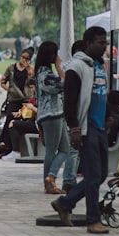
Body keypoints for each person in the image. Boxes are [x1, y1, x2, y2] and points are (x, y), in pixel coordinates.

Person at [50, 26, 111, 234]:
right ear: (88, 43)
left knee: (101, 174)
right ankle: (93, 220)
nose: (104, 46)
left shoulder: (100, 65)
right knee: (93, 175)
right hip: (86, 128)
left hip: (100, 126)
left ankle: (65, 203)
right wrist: (74, 128)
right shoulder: (77, 67)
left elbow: (103, 94)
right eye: (100, 42)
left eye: (105, 42)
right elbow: (70, 100)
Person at [36, 41, 77, 194]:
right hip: (51, 115)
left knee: (65, 149)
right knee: (52, 151)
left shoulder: (42, 72)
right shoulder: (45, 74)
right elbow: (63, 84)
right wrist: (60, 67)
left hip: (55, 114)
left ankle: (50, 177)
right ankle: (49, 180)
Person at [0, 47, 34, 159]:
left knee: (16, 123)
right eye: (23, 57)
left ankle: (9, 148)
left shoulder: (30, 70)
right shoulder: (11, 68)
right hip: (13, 99)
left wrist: (30, 74)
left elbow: (32, 85)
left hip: (25, 100)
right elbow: (3, 81)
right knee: (9, 120)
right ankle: (3, 147)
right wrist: (9, 89)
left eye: (27, 59)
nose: (24, 60)